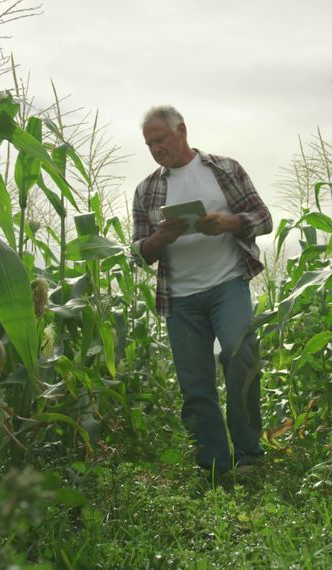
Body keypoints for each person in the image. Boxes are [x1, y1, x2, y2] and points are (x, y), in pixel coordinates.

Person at [131, 105, 273, 476]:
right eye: (149, 144)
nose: (156, 148)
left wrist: (229, 223)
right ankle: (215, 467)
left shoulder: (225, 170)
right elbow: (139, 253)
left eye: (160, 139)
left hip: (227, 283)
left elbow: (264, 219)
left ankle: (249, 456)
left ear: (182, 130)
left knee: (240, 357)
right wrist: (160, 237)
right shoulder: (147, 190)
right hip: (180, 296)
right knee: (195, 385)